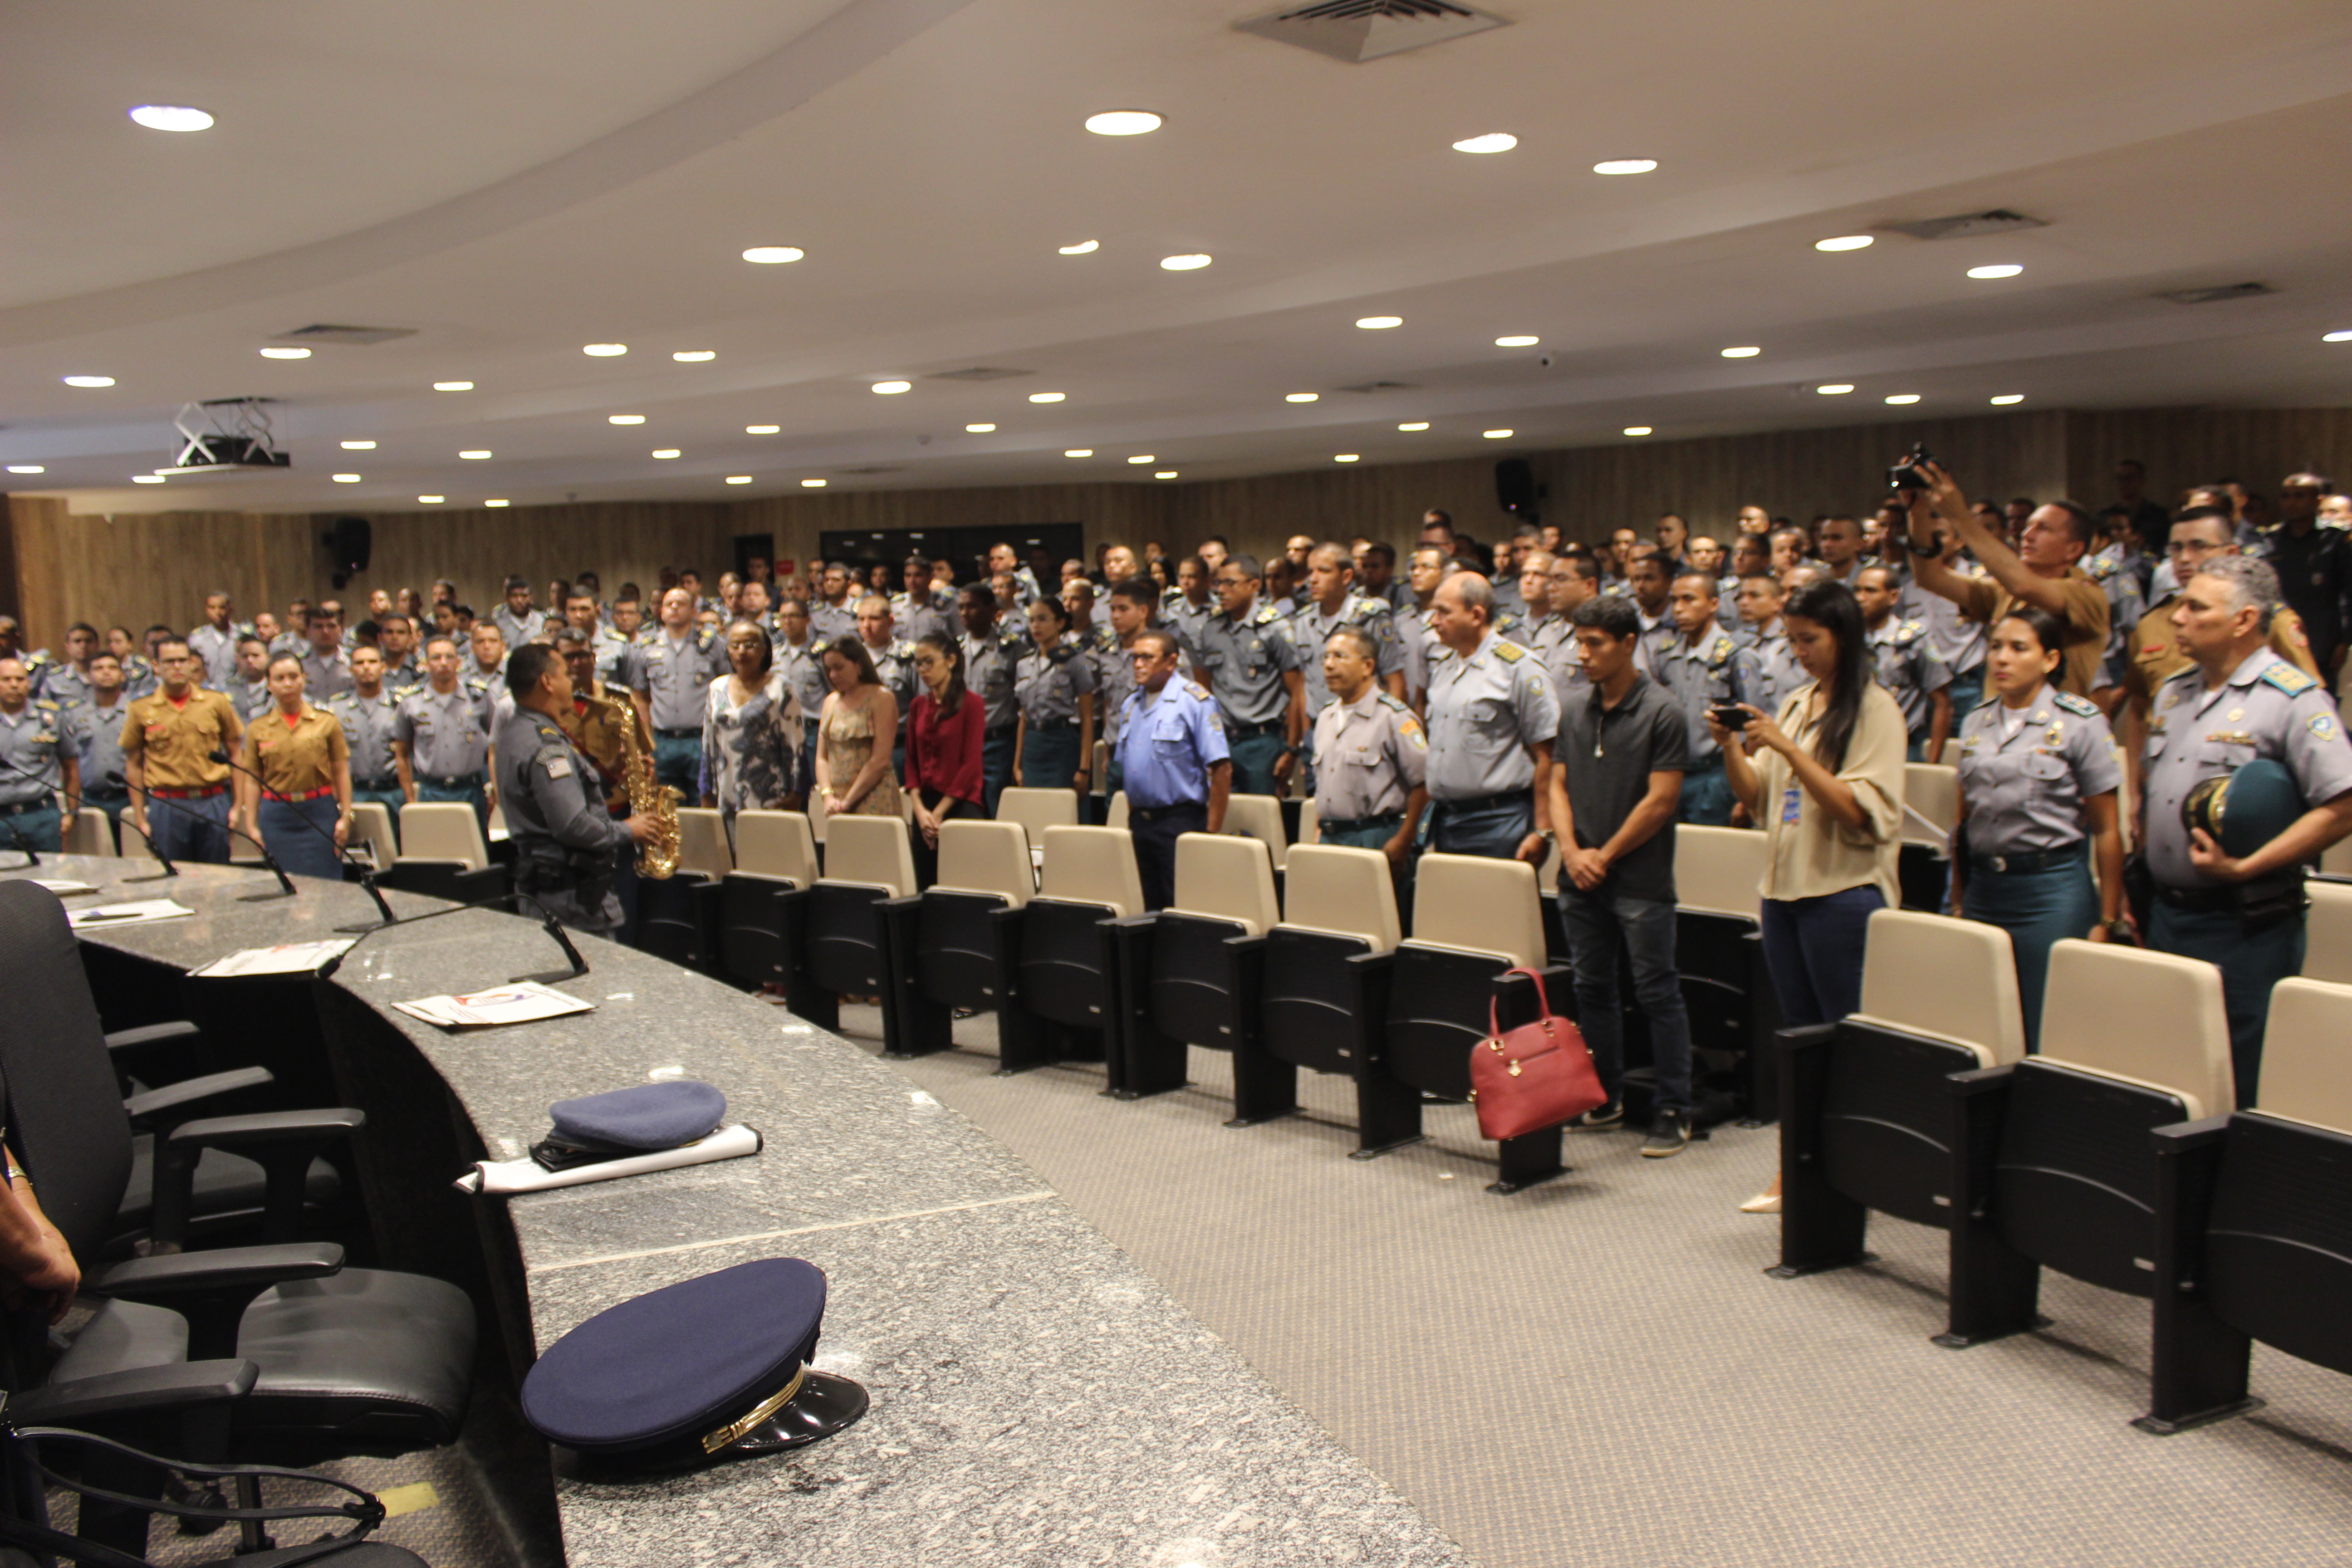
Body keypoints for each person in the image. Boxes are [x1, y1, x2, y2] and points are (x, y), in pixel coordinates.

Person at [1712, 580, 1906, 1214]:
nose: (1798, 651)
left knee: (1845, 1044)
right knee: (1798, 1041)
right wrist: (1730, 747)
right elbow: (1758, 797)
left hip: (1843, 895)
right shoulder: (1795, 702)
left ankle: (1860, 1172)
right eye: (1791, 639)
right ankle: (1796, 1169)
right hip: (1785, 893)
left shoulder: (1875, 709)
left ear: (1844, 637)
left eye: (1810, 639)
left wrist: (1792, 750)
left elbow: (1858, 812)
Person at [2136, 554, 2352, 1106]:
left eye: (2195, 607)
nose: (2177, 618)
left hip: (2244, 926)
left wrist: (2247, 867)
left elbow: (2344, 805)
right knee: (2169, 1072)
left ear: (2243, 620)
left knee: (2238, 1080)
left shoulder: (2292, 700)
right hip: (2168, 916)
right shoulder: (2173, 694)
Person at [1547, 595, 1696, 1155]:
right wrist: (1570, 849)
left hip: (1639, 880)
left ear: (1629, 644)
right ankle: (1603, 1096)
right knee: (1593, 989)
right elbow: (1556, 785)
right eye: (1578, 642)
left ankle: (1673, 1107)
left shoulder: (1663, 712)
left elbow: (1660, 803)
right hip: (1579, 873)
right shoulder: (1573, 707)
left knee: (1657, 992)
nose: (1581, 654)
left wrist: (1602, 856)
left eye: (1594, 644)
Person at [1950, 608, 2127, 1051]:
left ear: (2050, 660)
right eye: (1995, 647)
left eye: (2018, 648)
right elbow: (1963, 822)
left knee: (2047, 1026)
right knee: (1984, 1021)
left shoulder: (2079, 721)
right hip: (1987, 888)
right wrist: (1957, 896)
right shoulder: (1976, 721)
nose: (2001, 659)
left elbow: (2107, 829)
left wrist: (2108, 918)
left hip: (2051, 891)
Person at [2116, 507, 2319, 796]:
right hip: (2163, 778)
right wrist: (2134, 787)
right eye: (2176, 548)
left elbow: (2306, 702)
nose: (2185, 559)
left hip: (2237, 785)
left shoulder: (2266, 619)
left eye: (2199, 546)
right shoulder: (2153, 623)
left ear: (2232, 552)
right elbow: (2139, 705)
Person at [1902, 463, 2111, 699]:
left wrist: (1960, 516)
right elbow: (1931, 577)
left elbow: (2025, 586)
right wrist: (1918, 513)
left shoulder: (2088, 594)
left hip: (2053, 730)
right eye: (2029, 526)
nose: (2027, 535)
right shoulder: (2004, 591)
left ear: (2074, 550)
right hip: (2000, 726)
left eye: (2043, 529)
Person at [499, 644, 660, 938]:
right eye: (565, 675)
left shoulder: (516, 731)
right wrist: (628, 830)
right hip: (570, 897)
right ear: (548, 683)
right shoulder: (546, 746)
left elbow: (548, 796)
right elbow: (572, 826)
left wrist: (608, 774)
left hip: (546, 887)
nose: (571, 683)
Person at [1421, 573, 1559, 860]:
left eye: (1444, 612)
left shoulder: (1519, 667)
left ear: (1476, 615)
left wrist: (1543, 829)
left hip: (1500, 820)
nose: (1434, 621)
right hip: (1447, 819)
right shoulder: (1444, 668)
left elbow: (1549, 754)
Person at [1111, 630, 1230, 911]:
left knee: (1182, 906)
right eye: (1135, 657)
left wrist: (1209, 834)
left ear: (1171, 661)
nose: (1138, 664)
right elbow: (1131, 768)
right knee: (1144, 905)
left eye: (1147, 657)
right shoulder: (1131, 705)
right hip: (1140, 821)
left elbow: (1222, 770)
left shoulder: (1194, 701)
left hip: (1180, 821)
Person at [1308, 627, 1426, 882]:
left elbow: (1423, 783)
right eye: (1326, 657)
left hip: (1375, 837)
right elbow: (1325, 784)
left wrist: (1405, 840)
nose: (1329, 665)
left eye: (1340, 656)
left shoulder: (1394, 717)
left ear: (1367, 666)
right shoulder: (1326, 717)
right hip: (1331, 837)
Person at [1189, 555, 1303, 796]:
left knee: (1260, 822)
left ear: (1254, 586)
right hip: (1222, 741)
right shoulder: (1211, 629)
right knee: (1225, 822)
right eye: (1218, 583)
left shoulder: (1274, 628)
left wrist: (1292, 750)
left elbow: (1297, 691)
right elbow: (1203, 691)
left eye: (1230, 583)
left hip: (1261, 742)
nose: (1221, 590)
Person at [121, 638, 242, 864]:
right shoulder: (141, 708)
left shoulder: (216, 702)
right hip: (167, 805)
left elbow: (236, 753)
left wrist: (236, 806)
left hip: (212, 801)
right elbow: (134, 763)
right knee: (173, 879)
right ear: (156, 666)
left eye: (182, 661)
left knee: (219, 878)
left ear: (192, 664)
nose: (177, 667)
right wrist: (140, 816)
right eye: (169, 662)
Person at [233, 653, 353, 880]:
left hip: (318, 811)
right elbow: (252, 779)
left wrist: (346, 816)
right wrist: (251, 824)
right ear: (269, 685)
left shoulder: (326, 722)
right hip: (277, 815)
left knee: (327, 884)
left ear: (304, 679)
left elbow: (341, 770)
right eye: (279, 679)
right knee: (284, 884)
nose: (287, 684)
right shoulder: (257, 728)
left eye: (293, 677)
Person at [699, 620, 803, 852]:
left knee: (768, 859)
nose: (742, 651)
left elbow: (796, 745)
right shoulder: (717, 687)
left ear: (765, 650)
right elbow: (708, 743)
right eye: (735, 645)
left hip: (770, 792)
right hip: (725, 791)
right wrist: (705, 791)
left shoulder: (781, 688)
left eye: (750, 644)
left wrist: (796, 794)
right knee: (730, 862)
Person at [1651, 572, 1743, 825]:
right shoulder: (1665, 655)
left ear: (1714, 604)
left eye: (1689, 600)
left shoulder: (1734, 655)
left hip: (1715, 774)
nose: (1679, 609)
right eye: (1675, 601)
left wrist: (1745, 796)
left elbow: (1752, 726)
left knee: (1709, 856)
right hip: (1672, 771)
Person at [905, 632, 986, 887]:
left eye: (929, 662)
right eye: (919, 663)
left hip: (958, 805)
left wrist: (938, 814)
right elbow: (911, 762)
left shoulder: (973, 704)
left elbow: (971, 765)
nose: (923, 670)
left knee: (962, 886)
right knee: (925, 884)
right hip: (924, 810)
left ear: (951, 661)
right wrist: (920, 811)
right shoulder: (918, 705)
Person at [632, 587, 727, 799]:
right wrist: (647, 742)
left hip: (701, 739)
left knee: (705, 802)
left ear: (694, 612)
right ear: (661, 612)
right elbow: (641, 698)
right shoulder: (645, 648)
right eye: (669, 604)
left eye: (681, 603)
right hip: (663, 741)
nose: (674, 607)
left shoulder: (713, 646)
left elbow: (726, 688)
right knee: (667, 805)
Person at [395, 636, 495, 834]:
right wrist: (410, 799)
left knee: (478, 854)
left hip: (471, 789)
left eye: (449, 657)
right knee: (436, 855)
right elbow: (402, 753)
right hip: (431, 792)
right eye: (436, 657)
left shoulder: (479, 697)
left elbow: (496, 745)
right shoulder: (410, 703)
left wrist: (495, 789)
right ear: (425, 664)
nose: (443, 663)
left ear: (459, 662)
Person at [1853, 565, 1954, 762]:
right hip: (1857, 743)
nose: (1860, 598)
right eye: (1857, 590)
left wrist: (1932, 764)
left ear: (1893, 597)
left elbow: (1943, 702)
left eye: (1870, 591)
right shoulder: (1849, 640)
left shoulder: (1914, 640)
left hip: (1904, 745)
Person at [2258, 471, 2351, 681]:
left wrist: (2345, 641)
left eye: (2300, 496)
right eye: (2286, 496)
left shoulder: (2336, 540)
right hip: (2278, 638)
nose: (2292, 503)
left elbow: (2348, 595)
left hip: (2321, 639)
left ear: (2319, 501)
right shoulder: (2271, 540)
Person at [1012, 596, 1096, 794]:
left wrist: (1084, 768)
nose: (1035, 626)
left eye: (1042, 619)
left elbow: (1087, 717)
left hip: (1061, 743)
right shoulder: (1024, 664)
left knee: (1061, 808)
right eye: (1032, 620)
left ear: (1060, 623)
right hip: (1033, 744)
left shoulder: (1076, 661)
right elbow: (1023, 717)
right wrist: (1017, 764)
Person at [813, 636, 902, 822]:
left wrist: (848, 802)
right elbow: (822, 757)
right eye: (829, 670)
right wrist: (828, 796)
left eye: (839, 668)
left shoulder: (881, 698)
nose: (833, 676)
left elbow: (880, 760)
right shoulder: (831, 701)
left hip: (874, 797)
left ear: (859, 665)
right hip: (836, 802)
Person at [956, 583, 1020, 815]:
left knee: (997, 807)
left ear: (991, 609)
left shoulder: (1011, 648)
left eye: (972, 606)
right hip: (963, 743)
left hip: (998, 742)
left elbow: (1021, 701)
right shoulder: (955, 649)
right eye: (961, 607)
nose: (964, 613)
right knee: (967, 808)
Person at [0, 660, 76, 853]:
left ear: (29, 683)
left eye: (20, 679)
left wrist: (71, 813)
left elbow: (71, 766)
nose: (14, 685)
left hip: (42, 815)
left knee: (50, 879)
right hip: (1, 818)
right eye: (6, 679)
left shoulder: (49, 717)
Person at [328, 645, 407, 824]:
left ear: (383, 667)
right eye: (360, 663)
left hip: (394, 792)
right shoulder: (337, 708)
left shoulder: (401, 704)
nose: (366, 667)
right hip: (356, 793)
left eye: (372, 662)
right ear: (351, 670)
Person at [64, 652, 132, 845]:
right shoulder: (75, 714)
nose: (106, 673)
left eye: (112, 667)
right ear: (88, 676)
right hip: (91, 801)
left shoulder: (137, 710)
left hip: (130, 800)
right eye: (99, 668)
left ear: (123, 675)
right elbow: (70, 764)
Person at [185, 591, 249, 689]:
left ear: (230, 610)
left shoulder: (242, 636)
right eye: (212, 608)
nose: (217, 612)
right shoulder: (197, 639)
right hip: (207, 692)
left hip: (238, 691)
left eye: (222, 608)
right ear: (207, 610)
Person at [299, 608, 354, 701]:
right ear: (308, 631)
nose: (325, 631)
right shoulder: (299, 664)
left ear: (341, 630)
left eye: (331, 626)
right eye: (318, 627)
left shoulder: (353, 660)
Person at [493, 576, 550, 648]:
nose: (519, 600)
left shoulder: (542, 621)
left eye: (524, 596)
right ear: (507, 598)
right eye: (514, 596)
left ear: (531, 598)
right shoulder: (498, 623)